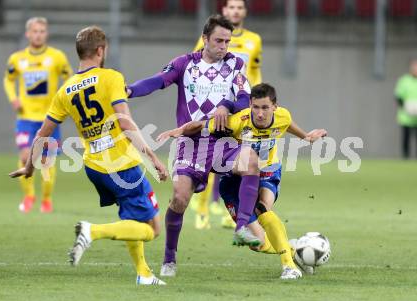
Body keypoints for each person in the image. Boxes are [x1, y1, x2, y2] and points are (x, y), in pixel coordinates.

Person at [9, 26, 168, 285]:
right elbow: (125, 123)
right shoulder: (111, 77)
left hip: (95, 166)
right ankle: (92, 231)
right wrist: (154, 158)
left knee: (130, 217)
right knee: (152, 228)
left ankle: (143, 273)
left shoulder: (65, 90)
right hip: (122, 164)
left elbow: (42, 135)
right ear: (100, 50)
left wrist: (29, 168)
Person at [127, 14, 262, 277]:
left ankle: (241, 227)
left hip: (222, 141)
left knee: (252, 162)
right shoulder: (184, 63)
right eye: (219, 41)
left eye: (228, 41)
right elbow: (157, 81)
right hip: (190, 142)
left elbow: (245, 99)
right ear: (204, 39)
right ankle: (169, 258)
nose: (224, 46)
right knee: (179, 198)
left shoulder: (236, 64)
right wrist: (130, 90)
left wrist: (227, 105)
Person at [157, 83, 327, 279]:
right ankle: (293, 250)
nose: (260, 113)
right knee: (259, 243)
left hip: (267, 172)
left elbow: (286, 124)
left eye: (265, 108)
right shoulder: (238, 120)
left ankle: (289, 267)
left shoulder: (283, 115)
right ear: (250, 105)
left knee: (263, 209)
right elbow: (201, 125)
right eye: (256, 107)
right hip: (234, 179)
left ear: (275, 107)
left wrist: (306, 136)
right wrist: (177, 130)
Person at [193, 0, 263, 229]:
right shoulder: (211, 38)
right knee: (213, 156)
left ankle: (229, 212)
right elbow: (196, 65)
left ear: (244, 11)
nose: (235, 11)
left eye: (239, 7)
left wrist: (258, 95)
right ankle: (201, 209)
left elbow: (254, 70)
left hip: (241, 105)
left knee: (240, 159)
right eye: (231, 7)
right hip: (216, 104)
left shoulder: (254, 40)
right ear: (224, 11)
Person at [4, 17, 73, 213]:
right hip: (25, 116)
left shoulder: (57, 57)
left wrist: (64, 100)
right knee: (26, 154)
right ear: (28, 34)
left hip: (50, 118)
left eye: (42, 31)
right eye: (35, 31)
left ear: (47, 33)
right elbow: (8, 80)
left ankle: (46, 200)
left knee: (46, 161)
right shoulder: (17, 59)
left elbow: (69, 79)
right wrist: (13, 98)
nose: (38, 34)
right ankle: (28, 196)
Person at [395, 59, 417, 158]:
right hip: (406, 116)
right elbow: (398, 96)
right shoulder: (404, 80)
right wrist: (406, 107)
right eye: (414, 67)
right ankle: (405, 156)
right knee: (406, 137)